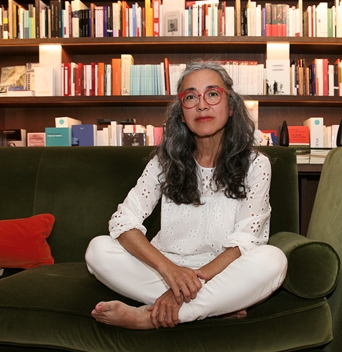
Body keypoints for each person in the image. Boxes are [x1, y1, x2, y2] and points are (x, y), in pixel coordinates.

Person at [85, 59, 287, 330]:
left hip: (221, 273)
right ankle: (216, 307)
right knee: (98, 250)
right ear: (181, 113)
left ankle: (150, 317)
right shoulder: (163, 162)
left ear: (230, 107)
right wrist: (170, 271)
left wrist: (190, 284)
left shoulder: (256, 164)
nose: (201, 105)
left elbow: (246, 241)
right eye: (190, 97)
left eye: (212, 94)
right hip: (165, 269)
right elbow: (123, 222)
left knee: (272, 261)